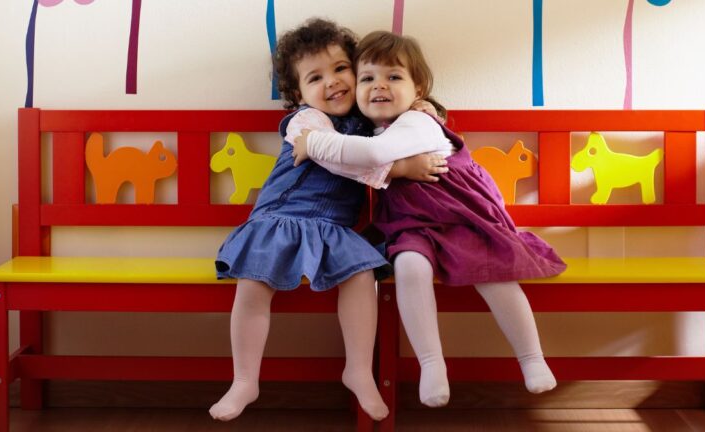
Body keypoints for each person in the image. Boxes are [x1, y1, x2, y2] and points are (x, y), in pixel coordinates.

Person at [293, 30, 567, 408]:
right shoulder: (373, 127)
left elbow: (375, 155)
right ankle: (431, 364)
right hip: (412, 226)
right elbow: (360, 159)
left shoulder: (417, 123)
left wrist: (314, 142)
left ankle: (532, 358)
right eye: (368, 78)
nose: (379, 86)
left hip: (460, 218)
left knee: (493, 273)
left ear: (417, 89)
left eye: (393, 77)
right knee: (408, 265)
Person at [210, 19, 445, 422]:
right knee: (253, 285)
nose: (333, 82)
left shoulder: (368, 122)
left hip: (333, 230)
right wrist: (402, 168)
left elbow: (399, 118)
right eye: (315, 77)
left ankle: (357, 369)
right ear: (298, 94)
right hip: (280, 220)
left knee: (361, 278)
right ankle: (245, 379)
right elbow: (342, 161)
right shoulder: (306, 124)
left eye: (341, 69)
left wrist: (425, 108)